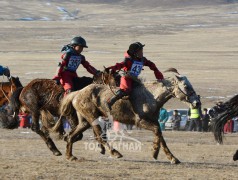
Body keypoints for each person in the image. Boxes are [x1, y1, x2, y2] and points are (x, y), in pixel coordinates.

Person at [104, 42, 164, 110]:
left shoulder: (143, 60)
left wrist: (158, 74)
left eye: (142, 51)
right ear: (135, 53)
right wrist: (112, 68)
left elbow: (151, 64)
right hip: (127, 78)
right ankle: (110, 102)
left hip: (135, 78)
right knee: (126, 90)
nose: (142, 53)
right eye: (140, 51)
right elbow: (120, 65)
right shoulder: (128, 60)